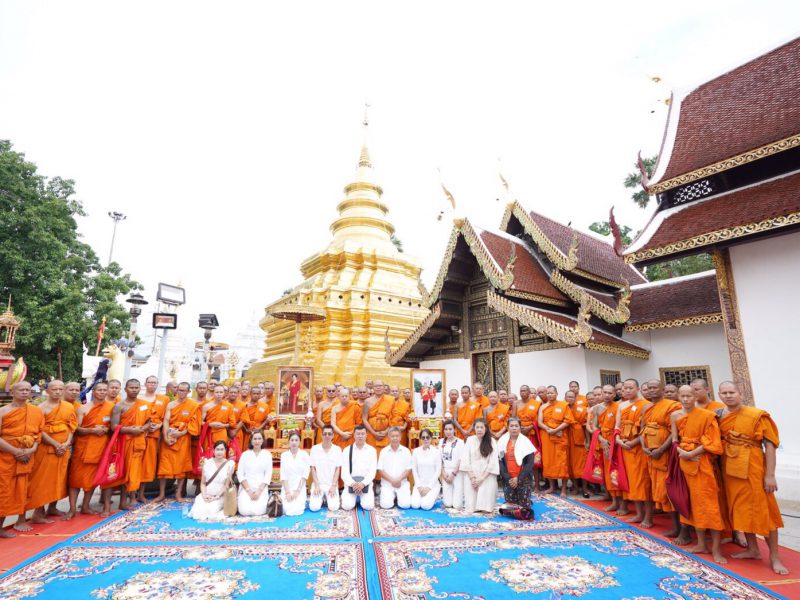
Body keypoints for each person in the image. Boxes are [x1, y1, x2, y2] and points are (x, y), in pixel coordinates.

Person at [717, 381, 788, 575]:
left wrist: (770, 475)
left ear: (740, 394)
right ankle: (753, 549)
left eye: (732, 392)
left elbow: (770, 445)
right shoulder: (720, 415)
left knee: (765, 512)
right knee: (741, 509)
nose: (728, 396)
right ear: (720, 395)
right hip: (730, 468)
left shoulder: (756, 415)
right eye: (724, 393)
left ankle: (775, 557)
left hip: (754, 468)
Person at [671, 385, 728, 564]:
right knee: (692, 504)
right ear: (679, 397)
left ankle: (716, 549)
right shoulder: (675, 415)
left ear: (695, 396)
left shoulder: (706, 415)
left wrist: (693, 453)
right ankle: (702, 544)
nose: (686, 399)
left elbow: (713, 442)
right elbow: (674, 439)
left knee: (709, 505)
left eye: (689, 395)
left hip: (702, 463)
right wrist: (683, 453)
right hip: (684, 461)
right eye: (683, 396)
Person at [24, 380, 77, 526]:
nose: (58, 392)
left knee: (59, 479)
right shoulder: (40, 408)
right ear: (47, 391)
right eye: (54, 389)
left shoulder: (67, 406)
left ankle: (52, 508)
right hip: (47, 449)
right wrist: (55, 444)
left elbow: (71, 426)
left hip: (63, 447)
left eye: (61, 389)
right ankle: (37, 513)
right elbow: (39, 430)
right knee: (42, 481)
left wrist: (66, 444)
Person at [641, 380, 688, 542]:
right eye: (649, 388)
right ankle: (675, 527)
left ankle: (684, 531)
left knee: (672, 492)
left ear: (662, 390)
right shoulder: (647, 408)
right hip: (652, 454)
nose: (652, 391)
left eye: (655, 388)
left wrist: (661, 449)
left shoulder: (671, 406)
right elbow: (643, 429)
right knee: (661, 492)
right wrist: (644, 447)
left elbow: (673, 432)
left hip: (667, 455)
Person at [0, 381, 44, 537]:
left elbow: (38, 435)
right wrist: (16, 452)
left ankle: (21, 520)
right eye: (21, 390)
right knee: (4, 491)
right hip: (6, 457)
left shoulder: (36, 412)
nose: (25, 392)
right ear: (12, 392)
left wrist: (31, 450)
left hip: (28, 455)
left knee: (23, 489)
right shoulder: (3, 411)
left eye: (28, 390)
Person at [100, 379, 151, 513]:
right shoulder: (119, 406)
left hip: (136, 444)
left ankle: (123, 503)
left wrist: (143, 428)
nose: (134, 390)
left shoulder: (144, 405)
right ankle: (106, 507)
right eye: (131, 387)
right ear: (126, 389)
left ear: (140, 389)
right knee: (114, 473)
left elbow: (149, 421)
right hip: (121, 443)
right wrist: (130, 430)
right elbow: (114, 426)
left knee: (128, 474)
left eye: (136, 387)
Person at [66, 381, 114, 519]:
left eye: (105, 390)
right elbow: (76, 429)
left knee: (93, 478)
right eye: (100, 390)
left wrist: (106, 429)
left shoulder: (111, 407)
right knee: (75, 479)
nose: (102, 392)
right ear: (93, 391)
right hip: (83, 447)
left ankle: (86, 505)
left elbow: (114, 426)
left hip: (101, 447)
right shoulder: (83, 408)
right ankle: (72, 509)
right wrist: (92, 430)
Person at [155, 382, 202, 503]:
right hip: (169, 438)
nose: (181, 393)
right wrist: (165, 436)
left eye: (184, 391)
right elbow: (166, 420)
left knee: (182, 467)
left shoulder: (193, 405)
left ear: (188, 392)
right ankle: (161, 494)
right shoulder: (171, 404)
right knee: (164, 466)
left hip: (183, 439)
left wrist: (181, 433)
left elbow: (194, 424)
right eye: (179, 390)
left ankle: (178, 494)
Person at [615, 378, 652, 524]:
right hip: (624, 447)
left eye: (631, 388)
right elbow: (617, 425)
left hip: (639, 448)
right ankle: (639, 513)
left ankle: (648, 517)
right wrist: (618, 439)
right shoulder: (622, 406)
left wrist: (633, 442)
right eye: (626, 388)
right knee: (631, 482)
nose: (628, 390)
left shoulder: (646, 405)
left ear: (638, 389)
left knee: (643, 483)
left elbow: (645, 429)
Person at [137, 375, 169, 503]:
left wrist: (160, 425)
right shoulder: (138, 399)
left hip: (154, 436)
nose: (152, 384)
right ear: (145, 384)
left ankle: (141, 493)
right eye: (149, 382)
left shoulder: (164, 399)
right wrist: (144, 426)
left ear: (157, 385)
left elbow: (166, 417)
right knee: (135, 464)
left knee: (147, 465)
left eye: (154, 382)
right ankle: (132, 493)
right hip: (139, 434)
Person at [188, 440, 235, 520]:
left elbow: (226, 485)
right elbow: (203, 483)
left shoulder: (230, 464)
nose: (219, 452)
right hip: (206, 494)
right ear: (213, 451)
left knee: (210, 511)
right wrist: (204, 495)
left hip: (219, 496)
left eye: (222, 449)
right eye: (217, 449)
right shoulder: (207, 463)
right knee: (198, 511)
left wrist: (216, 497)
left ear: (225, 451)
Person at [461, 419, 499, 513]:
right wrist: (473, 478)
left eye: (482, 427)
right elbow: (465, 460)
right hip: (472, 474)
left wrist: (481, 479)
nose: (479, 429)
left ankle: (486, 503)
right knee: (471, 509)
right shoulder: (470, 440)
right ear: (474, 428)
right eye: (477, 427)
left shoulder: (492, 441)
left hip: (486, 474)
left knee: (486, 509)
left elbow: (493, 462)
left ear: (486, 428)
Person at [538, 385, 570, 496]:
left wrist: (556, 430)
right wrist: (548, 429)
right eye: (548, 393)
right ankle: (552, 487)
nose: (550, 395)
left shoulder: (563, 405)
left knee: (562, 462)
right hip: (547, 436)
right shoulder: (543, 407)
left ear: (556, 393)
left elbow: (567, 421)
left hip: (560, 435)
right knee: (548, 461)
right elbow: (540, 422)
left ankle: (564, 489)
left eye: (552, 393)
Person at [595, 384, 622, 512]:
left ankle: (622, 504)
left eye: (610, 393)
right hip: (604, 442)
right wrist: (602, 440)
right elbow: (595, 428)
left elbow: (620, 426)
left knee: (618, 471)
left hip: (616, 442)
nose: (607, 395)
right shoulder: (597, 409)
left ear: (614, 394)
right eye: (604, 392)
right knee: (608, 471)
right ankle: (614, 501)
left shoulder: (619, 407)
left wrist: (614, 440)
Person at [499, 417, 536, 507]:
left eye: (516, 426)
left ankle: (527, 501)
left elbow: (529, 463)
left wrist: (518, 478)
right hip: (509, 479)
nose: (514, 428)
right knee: (511, 507)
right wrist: (508, 478)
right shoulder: (502, 441)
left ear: (520, 428)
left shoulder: (526, 442)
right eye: (511, 426)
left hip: (523, 478)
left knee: (524, 508)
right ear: (508, 427)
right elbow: (501, 462)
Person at [341, 425, 377, 510]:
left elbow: (372, 472)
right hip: (351, 484)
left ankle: (363, 497)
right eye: (358, 434)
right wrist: (353, 484)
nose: (360, 436)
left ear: (366, 435)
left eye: (362, 434)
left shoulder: (372, 451)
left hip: (365, 484)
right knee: (347, 506)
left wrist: (363, 484)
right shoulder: (347, 450)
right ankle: (349, 496)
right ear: (354, 435)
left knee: (368, 506)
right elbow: (344, 472)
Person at [515, 385, 543, 490]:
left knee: (534, 459)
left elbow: (539, 419)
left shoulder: (536, 404)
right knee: (520, 459)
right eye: (521, 391)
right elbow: (513, 418)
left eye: (525, 391)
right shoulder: (516, 403)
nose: (523, 393)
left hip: (532, 433)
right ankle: (522, 482)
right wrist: (520, 428)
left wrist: (530, 427)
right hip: (519, 433)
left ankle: (536, 485)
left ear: (529, 392)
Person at [237, 431, 271, 516]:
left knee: (259, 510)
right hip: (247, 488)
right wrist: (249, 491)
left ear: (263, 440)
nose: (257, 441)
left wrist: (259, 491)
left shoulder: (267, 454)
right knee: (244, 511)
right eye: (255, 439)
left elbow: (268, 474)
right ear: (251, 441)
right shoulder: (245, 455)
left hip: (261, 488)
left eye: (259, 439)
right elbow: (240, 474)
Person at [309, 425, 342, 512]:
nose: (327, 436)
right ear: (321, 435)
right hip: (318, 484)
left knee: (334, 507)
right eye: (325, 434)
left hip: (331, 484)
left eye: (329, 434)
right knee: (314, 508)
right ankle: (323, 498)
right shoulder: (314, 449)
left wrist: (334, 485)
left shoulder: (337, 450)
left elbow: (337, 469)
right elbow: (313, 468)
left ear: (333, 435)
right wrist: (316, 485)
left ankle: (326, 498)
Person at [377, 428, 412, 509]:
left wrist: (398, 480)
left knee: (405, 505)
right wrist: (392, 480)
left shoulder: (406, 451)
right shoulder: (384, 451)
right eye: (392, 436)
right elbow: (380, 470)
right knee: (386, 505)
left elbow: (408, 469)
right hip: (387, 483)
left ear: (400, 437)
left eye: (397, 436)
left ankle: (398, 497)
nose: (395, 438)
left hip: (402, 483)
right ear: (388, 437)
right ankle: (392, 497)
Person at [565, 390, 589, 498]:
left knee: (582, 464)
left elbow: (585, 426)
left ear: (575, 398)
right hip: (566, 438)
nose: (570, 399)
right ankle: (575, 486)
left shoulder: (582, 409)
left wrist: (587, 440)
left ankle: (584, 488)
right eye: (568, 397)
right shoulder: (563, 408)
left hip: (578, 438)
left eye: (572, 397)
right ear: (565, 398)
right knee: (569, 464)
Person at [280, 431, 310, 516]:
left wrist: (298, 491)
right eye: (292, 440)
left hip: (299, 487)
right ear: (289, 441)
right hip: (287, 487)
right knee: (286, 509)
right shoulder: (284, 455)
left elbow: (305, 473)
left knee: (297, 510)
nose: (294, 442)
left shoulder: (304, 455)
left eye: (296, 440)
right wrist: (287, 492)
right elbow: (283, 474)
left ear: (299, 442)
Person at [411, 429, 441, 510]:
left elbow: (438, 471)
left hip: (432, 485)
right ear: (420, 439)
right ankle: (422, 496)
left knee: (425, 506)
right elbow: (414, 470)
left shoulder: (436, 452)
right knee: (415, 505)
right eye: (423, 437)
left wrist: (429, 487)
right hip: (419, 484)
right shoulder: (416, 451)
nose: (425, 439)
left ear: (431, 439)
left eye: (427, 437)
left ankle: (433, 497)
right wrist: (419, 486)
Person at [439, 420, 465, 509]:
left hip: (457, 472)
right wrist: (443, 473)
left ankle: (459, 497)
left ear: (454, 430)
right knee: (447, 504)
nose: (448, 431)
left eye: (450, 429)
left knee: (457, 505)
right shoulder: (441, 442)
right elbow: (439, 460)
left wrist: (453, 474)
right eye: (446, 429)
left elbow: (460, 460)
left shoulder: (460, 442)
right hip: (445, 472)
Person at [364, 380, 394, 451]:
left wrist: (386, 431)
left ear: (384, 387)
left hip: (387, 434)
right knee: (372, 454)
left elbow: (393, 418)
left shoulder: (390, 400)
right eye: (376, 386)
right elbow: (364, 419)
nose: (378, 388)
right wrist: (373, 433)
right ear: (373, 388)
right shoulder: (367, 401)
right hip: (371, 434)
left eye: (380, 386)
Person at [242, 385, 269, 450]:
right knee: (247, 449)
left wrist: (259, 428)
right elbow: (241, 420)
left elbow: (266, 419)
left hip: (259, 431)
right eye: (254, 393)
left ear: (260, 395)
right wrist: (246, 429)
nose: (256, 395)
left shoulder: (264, 406)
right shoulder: (244, 405)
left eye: (258, 394)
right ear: (250, 394)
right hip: (247, 431)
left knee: (259, 449)